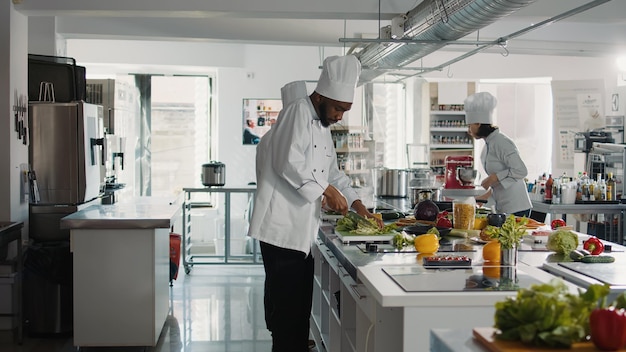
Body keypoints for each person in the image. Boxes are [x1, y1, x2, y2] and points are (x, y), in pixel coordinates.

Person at [248, 55, 381, 352]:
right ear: (320, 96)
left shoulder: (321, 124)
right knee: (289, 318)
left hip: (300, 234)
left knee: (296, 315)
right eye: (338, 108)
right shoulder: (297, 111)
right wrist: (326, 191)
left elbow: (333, 171)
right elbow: (288, 162)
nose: (340, 116)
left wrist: (357, 202)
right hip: (282, 232)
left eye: (345, 111)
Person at [465, 91, 532, 217]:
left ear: (479, 123)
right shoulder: (488, 145)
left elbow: (521, 171)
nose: (469, 130)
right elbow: (501, 182)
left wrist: (493, 177)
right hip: (504, 206)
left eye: (470, 126)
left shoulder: (502, 142)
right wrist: (482, 198)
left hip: (517, 207)